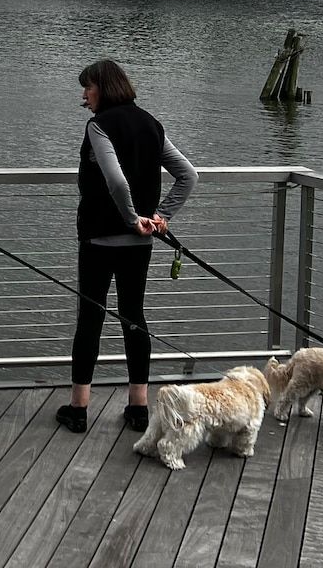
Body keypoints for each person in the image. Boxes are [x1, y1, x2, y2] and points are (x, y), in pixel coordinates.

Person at [57, 58, 198, 435]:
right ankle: (138, 407)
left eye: (87, 88)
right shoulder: (151, 123)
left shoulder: (99, 125)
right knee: (134, 316)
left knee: (91, 318)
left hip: (100, 239)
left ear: (102, 88)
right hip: (140, 243)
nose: (84, 96)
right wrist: (158, 216)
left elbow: (115, 181)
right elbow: (188, 174)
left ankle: (79, 407)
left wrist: (133, 216)